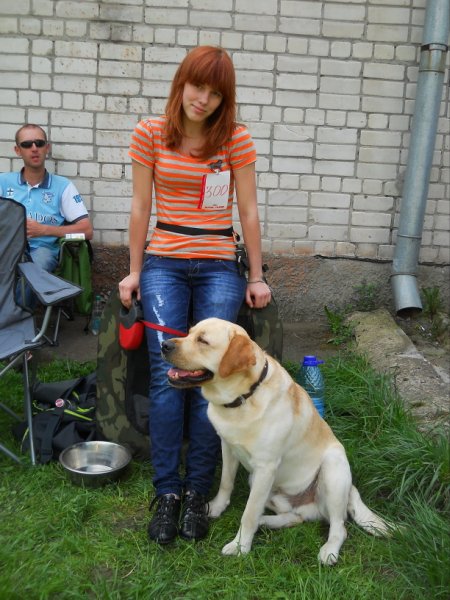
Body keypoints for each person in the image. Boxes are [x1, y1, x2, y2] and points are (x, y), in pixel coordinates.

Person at [118, 46, 272, 545]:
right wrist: (134, 271)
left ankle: (198, 492)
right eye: (196, 86)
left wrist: (256, 276)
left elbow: (248, 211)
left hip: (219, 267)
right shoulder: (149, 133)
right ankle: (167, 492)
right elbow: (140, 206)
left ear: (225, 99)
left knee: (211, 374)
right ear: (181, 83)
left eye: (214, 92)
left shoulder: (235, 140)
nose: (202, 99)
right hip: (163, 262)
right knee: (168, 378)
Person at [0, 124, 93, 307]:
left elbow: (87, 231)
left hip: (41, 250)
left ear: (47, 148)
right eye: (27, 144)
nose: (34, 148)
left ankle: (14, 316)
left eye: (39, 143)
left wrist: (44, 230)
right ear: (18, 150)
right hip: (7, 248)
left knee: (36, 268)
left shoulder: (63, 186)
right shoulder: (3, 182)